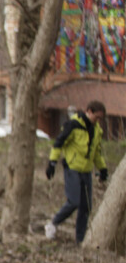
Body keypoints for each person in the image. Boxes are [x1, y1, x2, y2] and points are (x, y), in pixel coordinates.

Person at [44, 100, 107, 244]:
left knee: (86, 207)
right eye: (96, 117)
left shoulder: (97, 130)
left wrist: (102, 169)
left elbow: (96, 153)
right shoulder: (73, 125)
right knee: (74, 201)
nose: (98, 121)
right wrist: (52, 163)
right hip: (72, 168)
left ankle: (80, 239)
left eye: (100, 119)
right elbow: (59, 143)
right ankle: (53, 223)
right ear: (89, 111)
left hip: (86, 171)